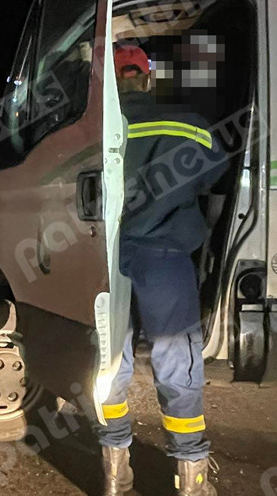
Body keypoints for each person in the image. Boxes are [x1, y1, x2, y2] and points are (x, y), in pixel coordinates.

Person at [97, 45, 227, 496]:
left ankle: (115, 472)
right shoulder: (188, 124)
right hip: (165, 260)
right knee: (176, 361)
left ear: (110, 83)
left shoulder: (95, 130)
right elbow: (216, 184)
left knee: (109, 363)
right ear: (148, 78)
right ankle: (191, 477)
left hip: (104, 261)